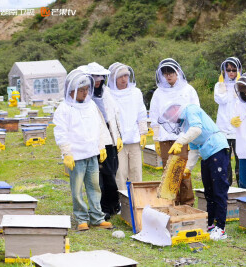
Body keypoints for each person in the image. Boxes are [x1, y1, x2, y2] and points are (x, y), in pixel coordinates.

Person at [158, 102, 230, 240]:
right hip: (206, 154)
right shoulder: (186, 125)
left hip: (217, 150)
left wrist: (179, 142)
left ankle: (221, 228)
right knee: (209, 192)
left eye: (171, 117)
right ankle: (210, 225)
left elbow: (197, 130)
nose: (172, 120)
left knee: (219, 191)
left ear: (175, 109)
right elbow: (195, 149)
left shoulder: (191, 109)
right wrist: (187, 168)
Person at [53, 69, 113, 231]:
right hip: (76, 156)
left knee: (94, 186)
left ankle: (97, 217)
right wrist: (66, 153)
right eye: (81, 90)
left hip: (92, 154)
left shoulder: (91, 105)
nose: (85, 93)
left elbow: (99, 127)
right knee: (77, 189)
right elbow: (60, 132)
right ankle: (81, 219)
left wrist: (101, 147)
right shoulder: (64, 108)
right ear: (71, 91)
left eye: (87, 89)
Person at [149, 58, 200, 205]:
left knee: (183, 171)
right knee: (169, 172)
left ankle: (187, 203)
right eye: (165, 73)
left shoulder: (188, 90)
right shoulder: (158, 93)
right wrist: (156, 139)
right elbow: (154, 116)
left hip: (183, 138)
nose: (168, 76)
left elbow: (196, 112)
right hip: (165, 139)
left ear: (177, 72)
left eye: (171, 72)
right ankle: (172, 203)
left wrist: (191, 139)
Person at [82, 62, 124, 220]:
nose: (98, 80)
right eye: (94, 77)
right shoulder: (86, 96)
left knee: (111, 175)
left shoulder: (106, 93)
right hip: (96, 141)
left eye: (100, 77)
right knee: (99, 178)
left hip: (111, 139)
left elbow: (115, 115)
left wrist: (119, 137)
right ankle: (101, 209)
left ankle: (113, 206)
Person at [108, 62, 148, 190]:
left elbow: (141, 113)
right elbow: (109, 118)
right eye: (121, 76)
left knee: (136, 172)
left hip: (134, 139)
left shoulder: (135, 92)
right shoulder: (108, 94)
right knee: (120, 172)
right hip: (118, 142)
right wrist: (116, 136)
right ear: (114, 78)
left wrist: (143, 133)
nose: (124, 79)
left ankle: (137, 200)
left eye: (126, 75)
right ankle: (123, 202)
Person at [214, 57, 242, 186]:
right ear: (223, 71)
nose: (231, 72)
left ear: (239, 70)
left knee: (240, 158)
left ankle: (242, 186)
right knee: (225, 160)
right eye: (228, 70)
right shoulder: (218, 85)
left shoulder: (243, 84)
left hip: (239, 129)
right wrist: (222, 87)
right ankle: (227, 185)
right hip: (223, 128)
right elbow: (221, 100)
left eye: (234, 70)